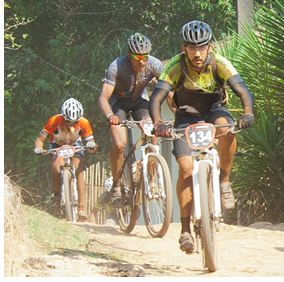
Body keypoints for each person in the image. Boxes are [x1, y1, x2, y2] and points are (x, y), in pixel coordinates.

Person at [149, 20, 255, 254]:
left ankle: (224, 180)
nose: (197, 53)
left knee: (226, 130)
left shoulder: (220, 63)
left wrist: (248, 113)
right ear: (183, 48)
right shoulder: (175, 67)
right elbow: (156, 98)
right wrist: (158, 123)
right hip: (185, 116)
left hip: (214, 110)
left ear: (209, 47)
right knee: (186, 169)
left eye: (202, 47)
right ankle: (185, 230)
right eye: (191, 48)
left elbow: (243, 90)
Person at [97, 32, 164, 207]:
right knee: (119, 144)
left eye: (145, 57)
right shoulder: (117, 66)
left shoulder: (154, 64)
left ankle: (152, 181)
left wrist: (177, 110)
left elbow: (168, 90)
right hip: (118, 102)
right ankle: (117, 186)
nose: (142, 61)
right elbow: (103, 99)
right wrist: (110, 115)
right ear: (129, 55)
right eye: (137, 57)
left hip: (139, 101)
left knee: (154, 130)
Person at [34, 98, 97, 221]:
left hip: (75, 145)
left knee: (79, 172)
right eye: (68, 121)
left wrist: (91, 146)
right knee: (57, 171)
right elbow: (40, 139)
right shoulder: (54, 121)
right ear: (63, 117)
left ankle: (81, 208)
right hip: (57, 145)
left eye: (75, 121)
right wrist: (38, 148)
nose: (71, 124)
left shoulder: (84, 122)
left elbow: (91, 142)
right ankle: (57, 196)